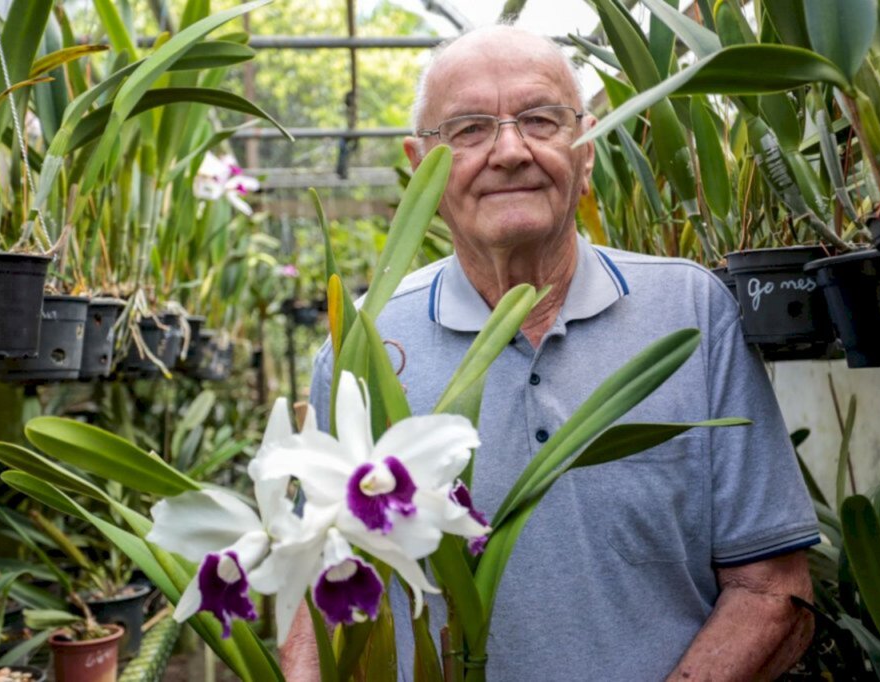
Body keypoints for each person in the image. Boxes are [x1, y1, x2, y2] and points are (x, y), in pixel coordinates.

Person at [283, 25, 818, 681]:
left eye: (539, 119)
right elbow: (313, 588)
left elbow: (772, 590)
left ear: (586, 150)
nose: (510, 151)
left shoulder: (691, 314)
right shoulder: (363, 342)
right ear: (420, 164)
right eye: (469, 130)